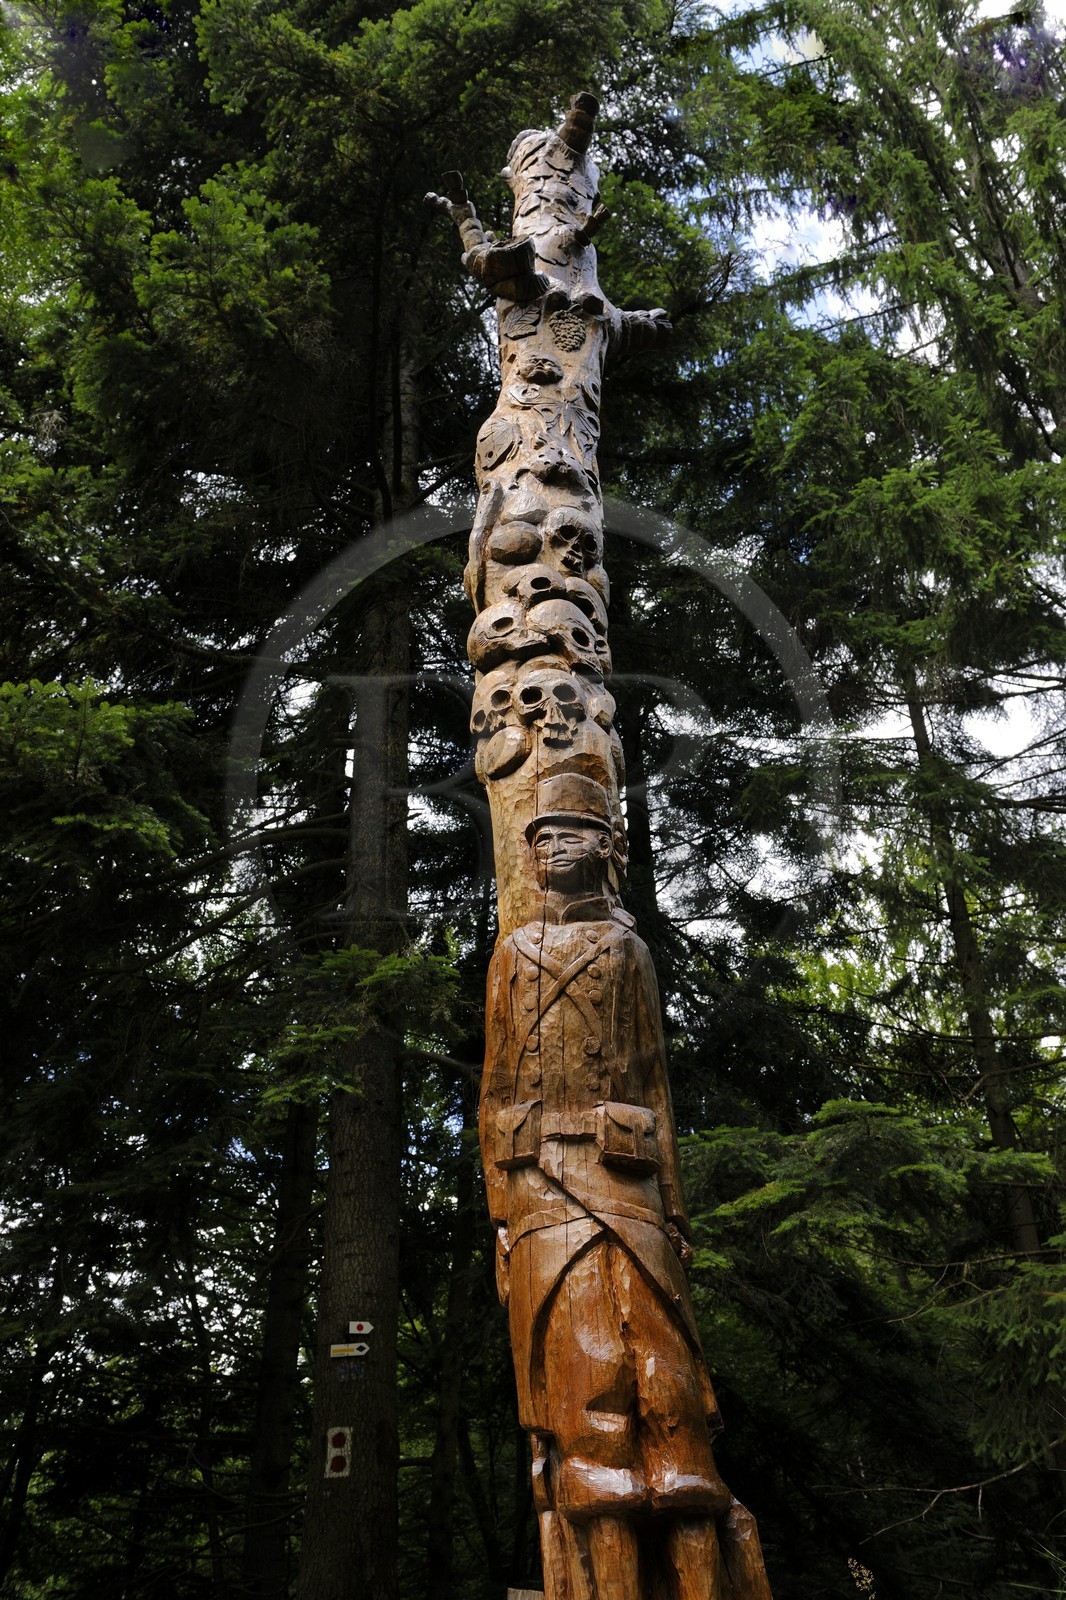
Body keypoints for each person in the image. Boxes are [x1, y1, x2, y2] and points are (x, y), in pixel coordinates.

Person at [480, 774, 769, 1600]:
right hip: (537, 1192)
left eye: (571, 832)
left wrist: (673, 1210)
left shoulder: (628, 951)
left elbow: (656, 1084)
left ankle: (698, 1563)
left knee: (666, 1387)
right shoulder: (510, 953)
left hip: (628, 1188)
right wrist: (502, 1215)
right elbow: (496, 1086)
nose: (549, 847)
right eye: (538, 838)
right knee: (583, 1389)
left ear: (609, 845)